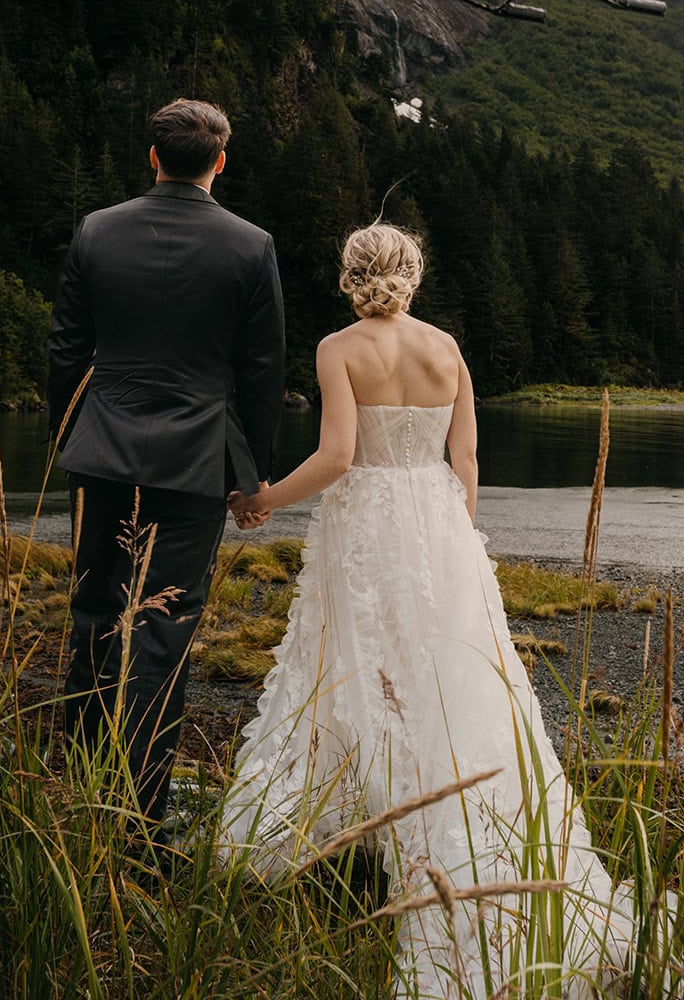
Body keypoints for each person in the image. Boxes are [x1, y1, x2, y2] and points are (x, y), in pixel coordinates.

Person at [222, 223, 645, 999]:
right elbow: (466, 458)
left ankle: (342, 830)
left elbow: (339, 456)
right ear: (411, 275)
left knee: (353, 665)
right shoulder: (446, 347)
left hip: (368, 523)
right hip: (440, 522)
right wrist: (461, 536)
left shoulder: (338, 349)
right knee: (451, 682)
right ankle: (458, 830)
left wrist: (262, 500)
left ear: (350, 276)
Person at [48, 97, 285, 830]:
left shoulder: (97, 230)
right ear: (220, 161)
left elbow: (66, 348)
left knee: (93, 617)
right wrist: (254, 475)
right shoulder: (250, 245)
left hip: (101, 449)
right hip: (195, 459)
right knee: (164, 628)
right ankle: (140, 816)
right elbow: (261, 369)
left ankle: (82, 794)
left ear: (152, 157)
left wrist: (68, 436)